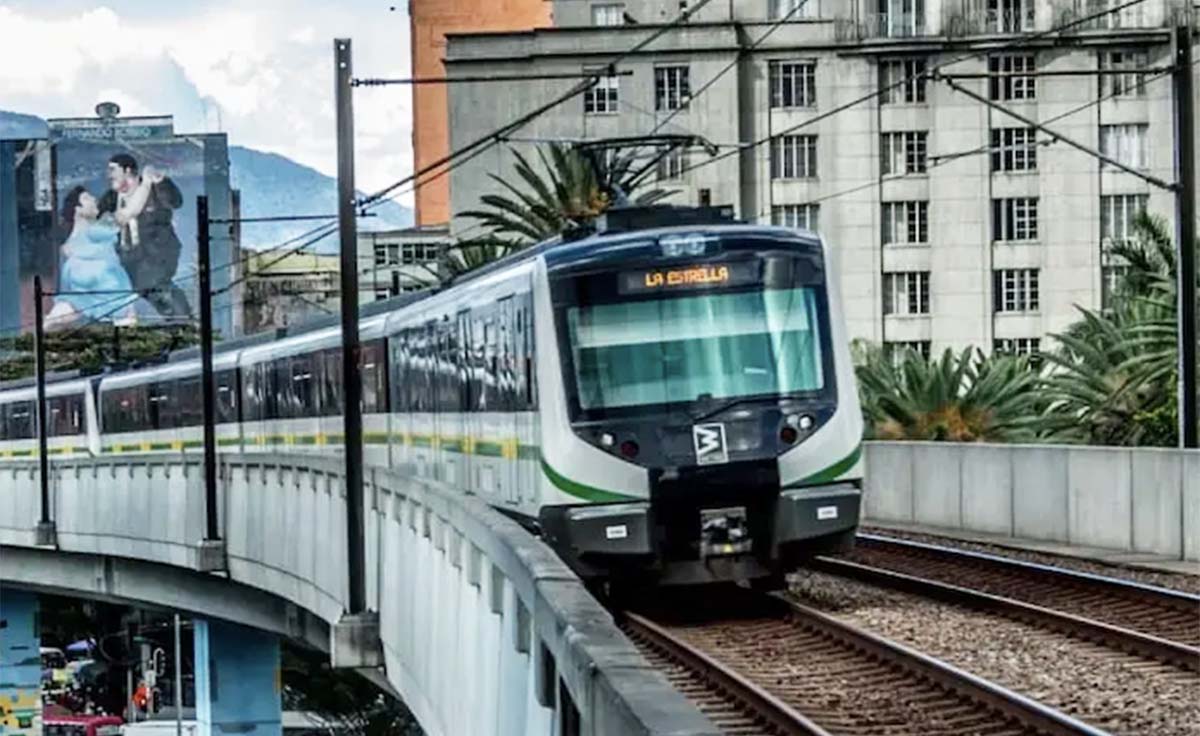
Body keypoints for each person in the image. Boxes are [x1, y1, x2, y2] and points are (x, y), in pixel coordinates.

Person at [98, 153, 192, 319]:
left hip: (155, 255)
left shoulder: (155, 189)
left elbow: (175, 202)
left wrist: (161, 181)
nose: (109, 174)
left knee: (158, 289)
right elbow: (100, 220)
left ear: (127, 170)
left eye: (113, 169)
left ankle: (183, 321)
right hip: (127, 258)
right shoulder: (111, 197)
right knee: (134, 295)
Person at [46, 185, 141, 326]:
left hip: (80, 289)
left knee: (62, 314)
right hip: (109, 290)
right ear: (78, 209)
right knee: (124, 317)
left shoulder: (68, 242)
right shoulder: (95, 230)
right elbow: (129, 212)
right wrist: (146, 183)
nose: (94, 199)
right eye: (86, 198)